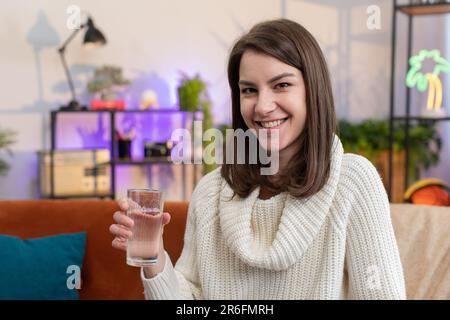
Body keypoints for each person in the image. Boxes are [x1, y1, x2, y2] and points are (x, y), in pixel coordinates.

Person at [109, 18, 406, 299]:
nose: (262, 107)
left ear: (312, 91)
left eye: (281, 85)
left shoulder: (352, 180)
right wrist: (154, 255)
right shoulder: (211, 191)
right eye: (249, 90)